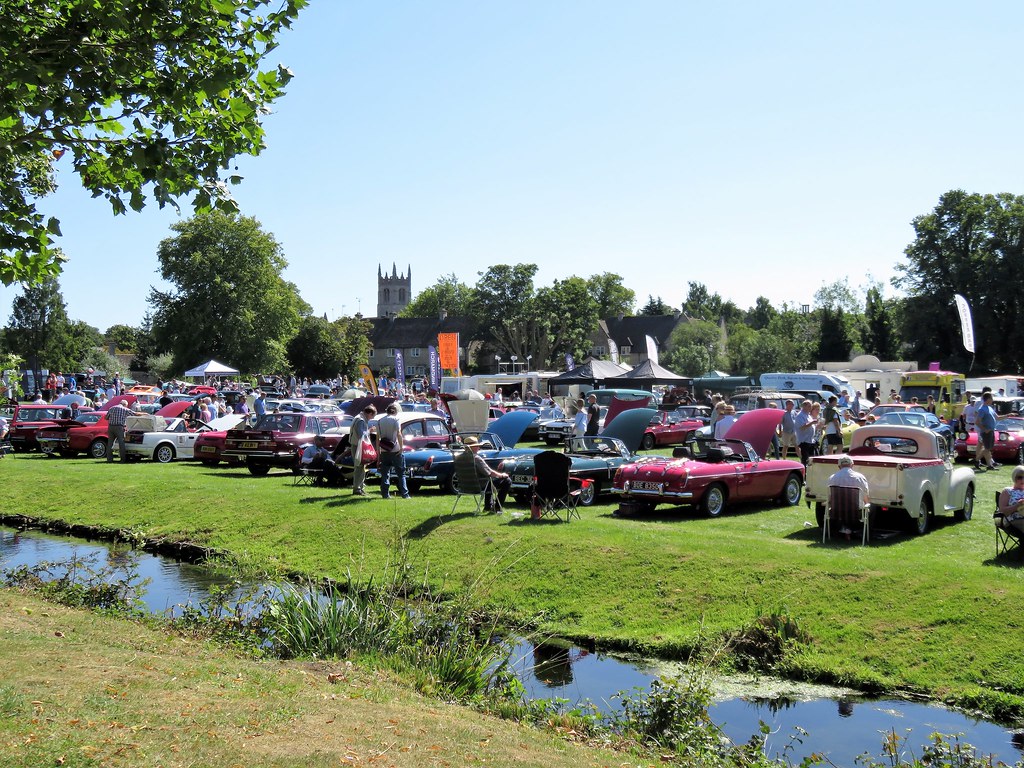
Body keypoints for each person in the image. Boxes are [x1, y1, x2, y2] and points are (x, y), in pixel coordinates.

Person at [463, 436, 511, 512]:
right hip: (478, 486)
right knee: (507, 480)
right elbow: (490, 473)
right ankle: (497, 508)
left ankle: (488, 506)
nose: (479, 447)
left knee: (489, 481)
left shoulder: (460, 458)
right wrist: (502, 475)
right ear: (471, 447)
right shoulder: (476, 458)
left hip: (464, 486)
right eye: (477, 446)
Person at [828, 454, 871, 537]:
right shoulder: (860, 478)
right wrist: (867, 505)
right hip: (856, 513)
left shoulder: (832, 478)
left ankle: (842, 530)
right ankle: (863, 533)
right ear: (852, 465)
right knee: (871, 507)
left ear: (839, 466)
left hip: (837, 512)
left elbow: (830, 498)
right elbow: (866, 497)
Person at [376, 403, 410, 499]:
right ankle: (405, 494)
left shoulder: (379, 421)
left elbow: (378, 438)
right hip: (395, 449)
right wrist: (401, 448)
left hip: (384, 449)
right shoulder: (396, 420)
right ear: (395, 411)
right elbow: (399, 434)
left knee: (385, 473)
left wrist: (378, 453)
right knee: (401, 473)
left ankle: (385, 494)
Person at [350, 405, 376, 496]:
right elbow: (362, 435)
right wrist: (370, 430)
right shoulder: (361, 420)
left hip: (357, 445)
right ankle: (357, 489)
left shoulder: (359, 418)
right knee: (359, 467)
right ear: (369, 413)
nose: (372, 418)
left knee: (361, 467)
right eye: (373, 416)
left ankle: (360, 487)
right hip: (358, 446)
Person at [976, 392, 999, 470]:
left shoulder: (990, 408)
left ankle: (989, 465)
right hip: (986, 432)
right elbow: (977, 422)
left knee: (988, 448)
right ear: (988, 399)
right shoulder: (982, 409)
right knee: (987, 448)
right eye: (991, 398)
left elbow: (997, 417)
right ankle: (976, 460)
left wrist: (1008, 415)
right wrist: (984, 430)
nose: (992, 400)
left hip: (991, 430)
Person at [997, 466, 1024, 530]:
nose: (1023, 480)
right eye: (1019, 477)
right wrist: (1018, 505)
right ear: (1014, 478)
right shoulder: (1008, 491)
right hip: (1012, 521)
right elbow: (1002, 511)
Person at [794, 399, 817, 466]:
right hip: (803, 441)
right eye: (809, 406)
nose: (811, 408)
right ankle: (804, 472)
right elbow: (802, 427)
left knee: (811, 459)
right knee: (805, 459)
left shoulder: (808, 415)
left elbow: (811, 426)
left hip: (810, 440)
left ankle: (810, 472)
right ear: (804, 406)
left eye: (811, 406)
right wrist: (812, 422)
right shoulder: (800, 416)